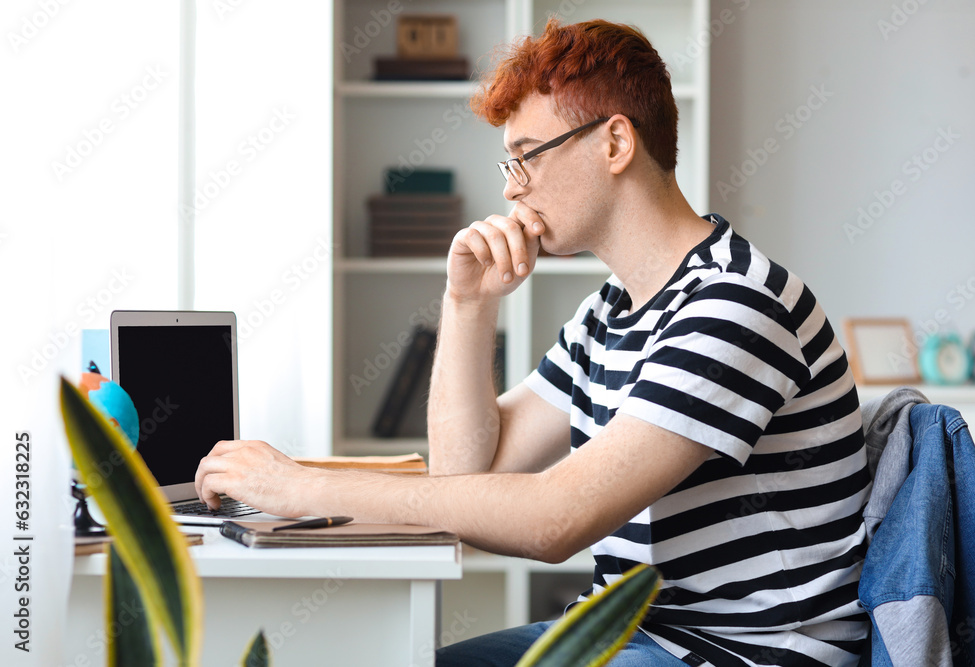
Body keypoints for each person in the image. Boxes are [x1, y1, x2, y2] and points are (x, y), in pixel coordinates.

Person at [195, 18, 871, 667]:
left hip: (736, 654)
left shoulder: (735, 303)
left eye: (527, 157)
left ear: (614, 144)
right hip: (627, 632)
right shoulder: (612, 308)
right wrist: (467, 304)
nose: (512, 188)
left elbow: (556, 520)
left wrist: (302, 487)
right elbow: (463, 478)